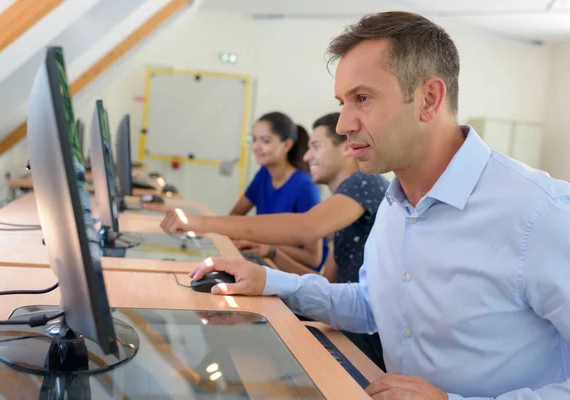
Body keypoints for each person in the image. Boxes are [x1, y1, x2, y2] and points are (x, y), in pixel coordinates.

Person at [187, 11, 570, 400]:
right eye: (342, 102)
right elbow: (373, 305)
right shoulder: (396, 203)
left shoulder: (540, 213)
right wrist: (270, 281)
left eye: (362, 99)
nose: (342, 125)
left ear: (429, 99)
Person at [151, 112, 389, 369]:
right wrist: (268, 265)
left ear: (345, 148)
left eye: (315, 147)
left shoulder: (365, 182)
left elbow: (304, 228)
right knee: (232, 325)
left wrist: (199, 222)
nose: (307, 157)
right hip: (345, 324)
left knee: (237, 344)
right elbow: (327, 284)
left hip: (365, 341)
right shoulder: (344, 204)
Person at [230, 111, 328, 271]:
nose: (255, 147)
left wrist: (265, 245)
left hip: (293, 278)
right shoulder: (263, 175)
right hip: (265, 265)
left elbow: (313, 258)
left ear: (287, 145)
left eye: (265, 141)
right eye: (253, 139)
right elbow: (234, 216)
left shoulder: (305, 187)